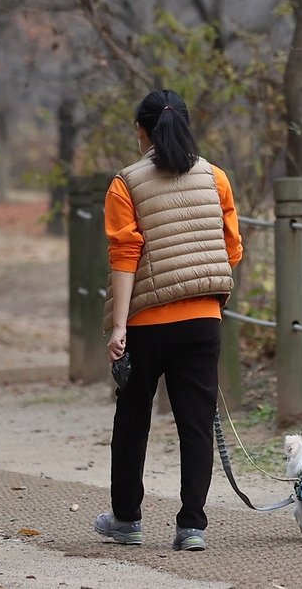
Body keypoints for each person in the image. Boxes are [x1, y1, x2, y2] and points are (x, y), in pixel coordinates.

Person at [94, 90, 243, 552]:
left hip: (145, 322)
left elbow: (125, 255)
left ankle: (126, 520)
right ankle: (192, 526)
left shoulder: (126, 183)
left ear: (142, 131)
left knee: (133, 416)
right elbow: (231, 248)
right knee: (196, 422)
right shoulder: (215, 177)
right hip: (203, 319)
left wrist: (119, 326)